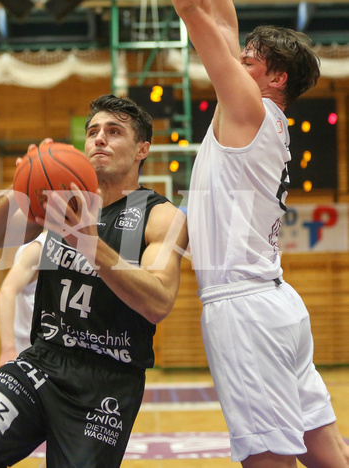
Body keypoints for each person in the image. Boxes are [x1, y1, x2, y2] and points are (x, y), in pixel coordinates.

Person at [0, 94, 189, 468]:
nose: (99, 139)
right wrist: (19, 187)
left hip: (108, 377)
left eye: (114, 131)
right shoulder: (60, 202)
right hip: (45, 359)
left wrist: (90, 245)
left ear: (142, 148)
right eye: (93, 131)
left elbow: (158, 303)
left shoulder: (161, 216)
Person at [171, 1, 349, 466]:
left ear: (278, 79)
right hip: (275, 302)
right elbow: (222, 19)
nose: (245, 53)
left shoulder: (249, 108)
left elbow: (194, 13)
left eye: (257, 53)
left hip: (244, 309)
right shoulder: (252, 113)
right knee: (327, 453)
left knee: (267, 458)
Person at [0, 231, 47, 367]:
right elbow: (6, 293)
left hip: (55, 345)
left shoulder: (74, 246)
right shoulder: (38, 248)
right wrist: (8, 348)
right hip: (30, 346)